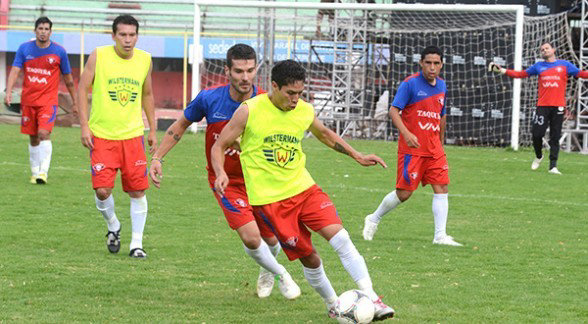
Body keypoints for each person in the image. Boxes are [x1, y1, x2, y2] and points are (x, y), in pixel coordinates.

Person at [211, 59, 395, 320]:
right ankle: (334, 305)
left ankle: (373, 298)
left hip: (305, 189)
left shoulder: (304, 110)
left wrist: (357, 155)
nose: (296, 99)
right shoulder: (249, 111)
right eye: (290, 93)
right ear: (274, 86)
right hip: (271, 202)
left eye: (300, 93)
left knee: (340, 238)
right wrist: (220, 172)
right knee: (310, 258)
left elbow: (325, 135)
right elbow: (218, 146)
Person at [149, 44, 300, 299]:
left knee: (272, 241)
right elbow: (181, 124)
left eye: (250, 70)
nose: (245, 77)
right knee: (252, 239)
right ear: (227, 71)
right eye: (239, 71)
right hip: (226, 181)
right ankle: (280, 274)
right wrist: (157, 158)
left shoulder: (268, 102)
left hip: (261, 181)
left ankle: (267, 270)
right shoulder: (209, 99)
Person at [362, 46, 462, 247]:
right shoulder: (410, 84)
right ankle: (373, 218)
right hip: (412, 150)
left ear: (441, 65)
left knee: (442, 186)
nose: (432, 67)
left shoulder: (442, 86)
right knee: (404, 193)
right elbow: (393, 110)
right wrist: (406, 134)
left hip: (434, 149)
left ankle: (440, 236)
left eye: (436, 63)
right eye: (428, 63)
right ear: (421, 64)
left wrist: (440, 143)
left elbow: (441, 116)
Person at [78, 15, 157, 259]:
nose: (127, 39)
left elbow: (148, 94)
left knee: (138, 192)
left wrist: (152, 128)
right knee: (102, 190)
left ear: (137, 36)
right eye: (122, 34)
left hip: (133, 136)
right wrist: (84, 126)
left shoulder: (145, 60)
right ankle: (113, 224)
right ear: (113, 36)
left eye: (132, 35)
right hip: (102, 135)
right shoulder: (98, 55)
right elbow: (82, 89)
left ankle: (137, 244)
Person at [489, 42, 588, 175]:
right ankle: (539, 155)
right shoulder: (538, 66)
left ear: (553, 50)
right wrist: (502, 70)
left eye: (547, 48)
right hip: (542, 106)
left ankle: (553, 166)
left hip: (558, 107)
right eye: (542, 50)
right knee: (537, 134)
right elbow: (520, 74)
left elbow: (581, 74)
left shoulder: (564, 65)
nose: (544, 50)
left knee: (555, 136)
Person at [5, 16, 77, 184]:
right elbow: (15, 71)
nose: (43, 32)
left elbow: (69, 79)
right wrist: (8, 92)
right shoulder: (24, 49)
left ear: (50, 32)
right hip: (28, 101)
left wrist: (75, 102)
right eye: (40, 29)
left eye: (46, 29)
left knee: (43, 133)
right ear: (35, 30)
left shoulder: (59, 52)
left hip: (48, 102)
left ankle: (43, 173)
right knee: (33, 137)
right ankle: (34, 172)